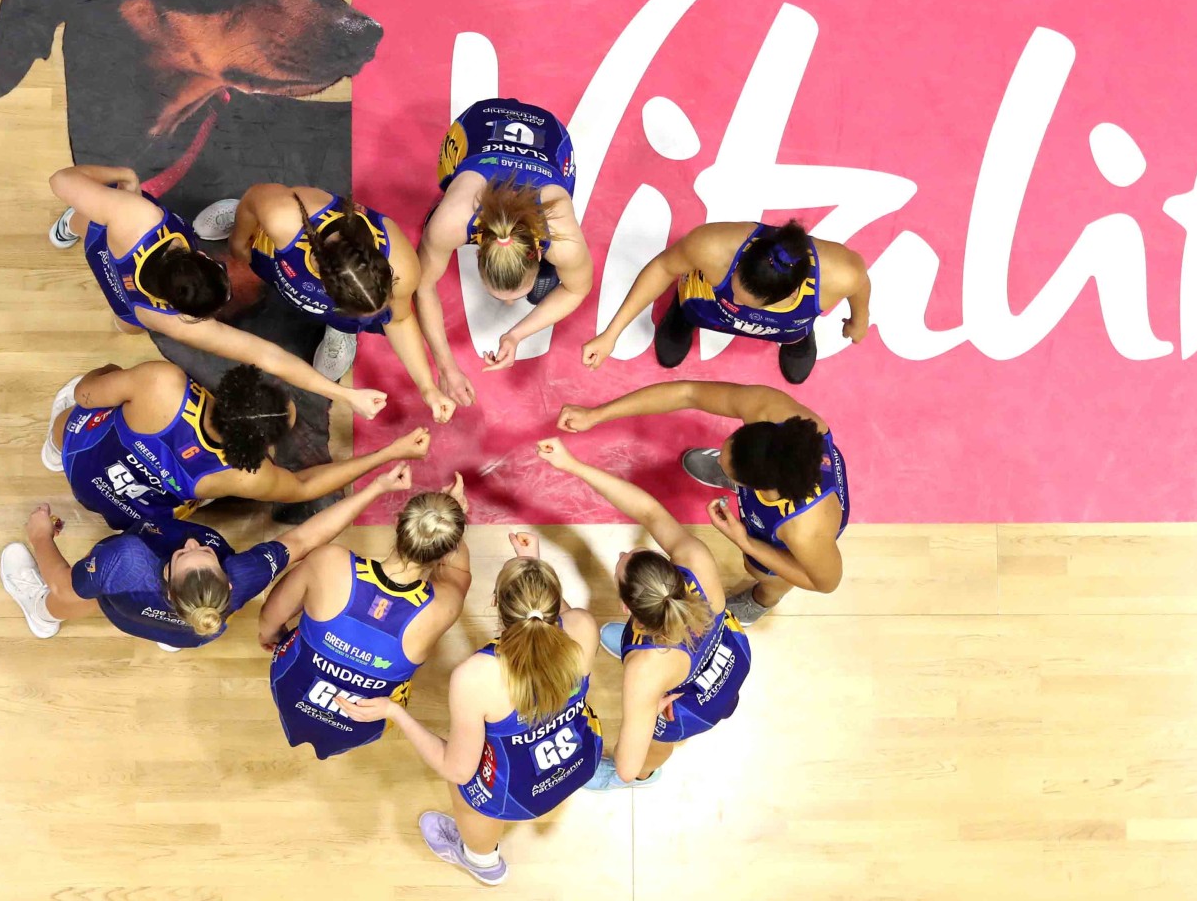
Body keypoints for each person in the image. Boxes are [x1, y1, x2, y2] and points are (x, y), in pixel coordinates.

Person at [337, 531, 601, 887]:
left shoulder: (478, 676)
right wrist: (533, 567)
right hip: (581, 757)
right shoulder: (583, 627)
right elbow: (560, 617)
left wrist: (394, 712)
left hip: (519, 794)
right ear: (553, 601)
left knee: (468, 788)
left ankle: (481, 860)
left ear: (494, 603)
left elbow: (457, 770)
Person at [46, 164, 388, 420]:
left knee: (92, 218)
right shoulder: (173, 322)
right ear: (203, 255)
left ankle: (67, 227)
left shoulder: (138, 216)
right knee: (127, 323)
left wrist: (124, 176)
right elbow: (269, 357)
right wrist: (343, 395)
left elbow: (60, 180)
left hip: (110, 257)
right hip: (128, 305)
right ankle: (72, 229)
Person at [0, 463, 414, 649]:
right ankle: (171, 640)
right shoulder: (242, 577)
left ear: (166, 581)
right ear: (227, 583)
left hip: (121, 604)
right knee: (162, 623)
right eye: (202, 555)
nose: (194, 545)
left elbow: (68, 582)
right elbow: (304, 540)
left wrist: (40, 538)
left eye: (185, 556)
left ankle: (41, 613)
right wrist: (376, 489)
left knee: (76, 596)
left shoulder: (127, 562)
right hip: (184, 630)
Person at [534, 437, 750, 790]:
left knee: (649, 747)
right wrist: (573, 465)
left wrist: (648, 712)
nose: (622, 553)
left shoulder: (644, 671)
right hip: (730, 654)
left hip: (698, 702)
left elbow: (624, 765)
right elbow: (649, 511)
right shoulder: (694, 559)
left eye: (621, 562)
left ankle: (648, 776)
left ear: (626, 608)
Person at [558, 380, 848, 625]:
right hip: (778, 477)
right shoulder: (768, 409)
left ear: (756, 485)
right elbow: (689, 393)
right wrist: (597, 414)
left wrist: (745, 542)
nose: (719, 455)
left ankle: (762, 601)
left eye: (728, 466)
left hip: (787, 537)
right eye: (727, 450)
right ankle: (733, 472)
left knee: (761, 572)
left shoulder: (804, 531)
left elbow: (825, 583)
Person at [43, 359, 430, 530]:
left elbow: (85, 394)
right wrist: (389, 452)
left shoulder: (163, 383)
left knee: (107, 379)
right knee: (197, 495)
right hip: (126, 515)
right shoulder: (246, 475)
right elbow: (303, 487)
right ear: (261, 447)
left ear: (235, 387)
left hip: (79, 460)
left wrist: (108, 378)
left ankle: (52, 449)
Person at [186, 184, 456, 422]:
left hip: (327, 292)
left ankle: (342, 329)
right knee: (249, 231)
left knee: (358, 318)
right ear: (325, 289)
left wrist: (427, 387)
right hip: (271, 252)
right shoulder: (284, 217)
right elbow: (253, 198)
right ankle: (231, 218)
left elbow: (399, 319)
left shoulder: (403, 271)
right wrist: (239, 242)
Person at [262, 471, 473, 758]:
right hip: (364, 725)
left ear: (398, 521)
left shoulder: (329, 562)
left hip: (289, 687)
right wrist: (451, 517)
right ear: (447, 551)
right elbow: (458, 573)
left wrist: (271, 637)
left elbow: (270, 619)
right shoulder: (444, 606)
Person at [415, 98, 592, 406]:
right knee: (440, 219)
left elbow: (578, 290)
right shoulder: (451, 223)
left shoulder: (563, 239)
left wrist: (516, 334)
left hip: (550, 137)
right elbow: (422, 284)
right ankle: (448, 201)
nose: (511, 303)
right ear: (479, 247)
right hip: (478, 125)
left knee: (554, 272)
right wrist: (446, 368)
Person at [581, 219, 871, 384]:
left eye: (749, 303)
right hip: (705, 307)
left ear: (792, 294)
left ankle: (797, 340)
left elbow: (860, 286)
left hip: (787, 326)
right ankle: (681, 316)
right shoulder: (712, 245)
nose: (738, 302)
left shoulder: (842, 273)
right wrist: (611, 333)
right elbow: (663, 268)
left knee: (796, 346)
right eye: (736, 290)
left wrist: (860, 320)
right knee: (676, 337)